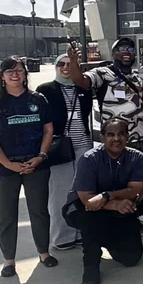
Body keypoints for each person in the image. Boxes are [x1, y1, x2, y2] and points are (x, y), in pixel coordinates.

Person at [0, 56, 58, 277]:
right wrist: (10, 165)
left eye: (19, 71)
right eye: (9, 71)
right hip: (4, 170)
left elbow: (48, 130)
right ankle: (9, 261)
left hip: (36, 165)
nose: (15, 75)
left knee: (39, 211)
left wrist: (41, 156)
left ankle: (44, 253)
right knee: (6, 215)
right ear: (2, 76)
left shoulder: (38, 99)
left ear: (26, 74)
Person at [64, 118, 143, 284]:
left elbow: (135, 190)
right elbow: (87, 198)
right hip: (83, 207)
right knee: (91, 220)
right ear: (102, 138)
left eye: (121, 134)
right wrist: (114, 204)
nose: (116, 139)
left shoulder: (137, 158)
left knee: (131, 258)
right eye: (110, 134)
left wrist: (107, 195)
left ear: (128, 137)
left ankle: (106, 239)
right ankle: (91, 264)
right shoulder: (89, 159)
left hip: (116, 204)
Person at [67, 38, 143, 172]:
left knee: (142, 183)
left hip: (138, 141)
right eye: (122, 49)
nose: (127, 53)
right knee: (115, 185)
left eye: (130, 50)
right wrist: (73, 61)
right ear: (113, 54)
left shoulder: (137, 78)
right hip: (114, 143)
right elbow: (80, 81)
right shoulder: (102, 73)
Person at [37, 54, 93, 251]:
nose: (66, 68)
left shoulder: (83, 89)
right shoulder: (46, 90)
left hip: (83, 145)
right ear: (56, 67)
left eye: (70, 64)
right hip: (59, 146)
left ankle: (80, 231)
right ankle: (62, 236)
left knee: (81, 191)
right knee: (60, 192)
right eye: (61, 64)